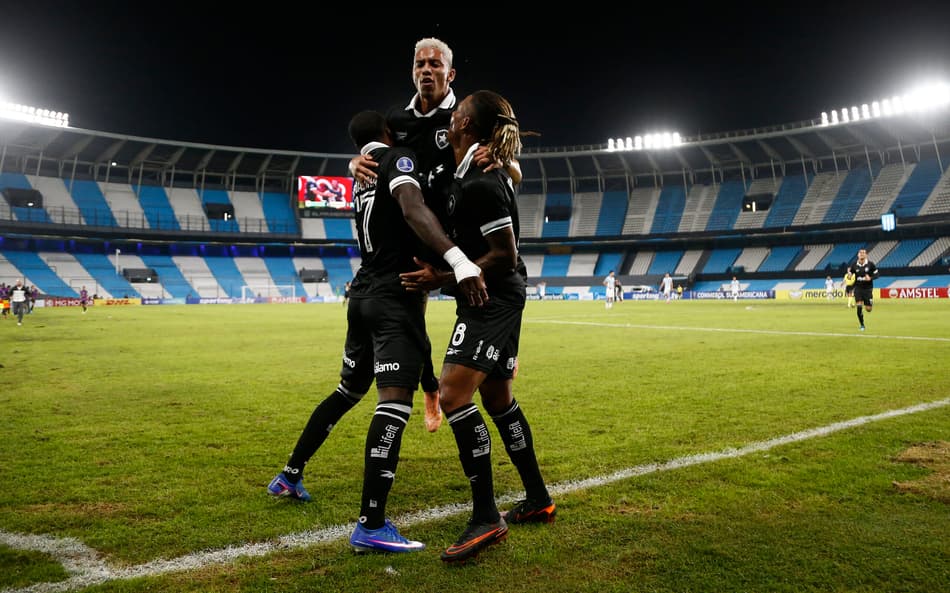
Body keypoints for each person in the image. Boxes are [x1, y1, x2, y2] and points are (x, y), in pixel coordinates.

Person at [268, 110, 488, 556]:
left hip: (362, 295)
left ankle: (290, 475)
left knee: (347, 391)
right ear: (388, 135)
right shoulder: (397, 161)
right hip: (393, 296)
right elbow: (411, 207)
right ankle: (371, 523)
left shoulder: (361, 175)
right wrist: (458, 259)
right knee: (392, 405)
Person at [401, 90, 555, 563]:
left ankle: (487, 516)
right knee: (497, 399)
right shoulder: (468, 172)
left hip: (492, 296)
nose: (450, 117)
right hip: (498, 294)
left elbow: (504, 254)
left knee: (451, 396)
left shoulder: (483, 183)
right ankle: (537, 497)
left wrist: (440, 277)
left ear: (467, 125)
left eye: (457, 113)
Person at [350, 37, 524, 435]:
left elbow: (509, 170)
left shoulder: (470, 116)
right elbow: (377, 152)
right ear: (412, 71)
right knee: (411, 320)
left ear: (450, 73)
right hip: (416, 233)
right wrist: (355, 159)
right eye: (419, 64)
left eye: (434, 64)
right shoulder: (398, 120)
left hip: (461, 233)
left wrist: (508, 162)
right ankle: (430, 389)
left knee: (490, 294)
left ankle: (496, 359)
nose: (426, 70)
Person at [851, 248, 879, 331]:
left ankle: (868, 304)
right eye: (860, 252)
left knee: (868, 309)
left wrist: (870, 278)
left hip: (868, 289)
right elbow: (851, 272)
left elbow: (877, 274)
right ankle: (862, 325)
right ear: (858, 255)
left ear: (866, 255)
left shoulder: (870, 264)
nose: (862, 254)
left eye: (863, 252)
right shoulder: (854, 265)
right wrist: (849, 275)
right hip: (858, 288)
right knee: (859, 306)